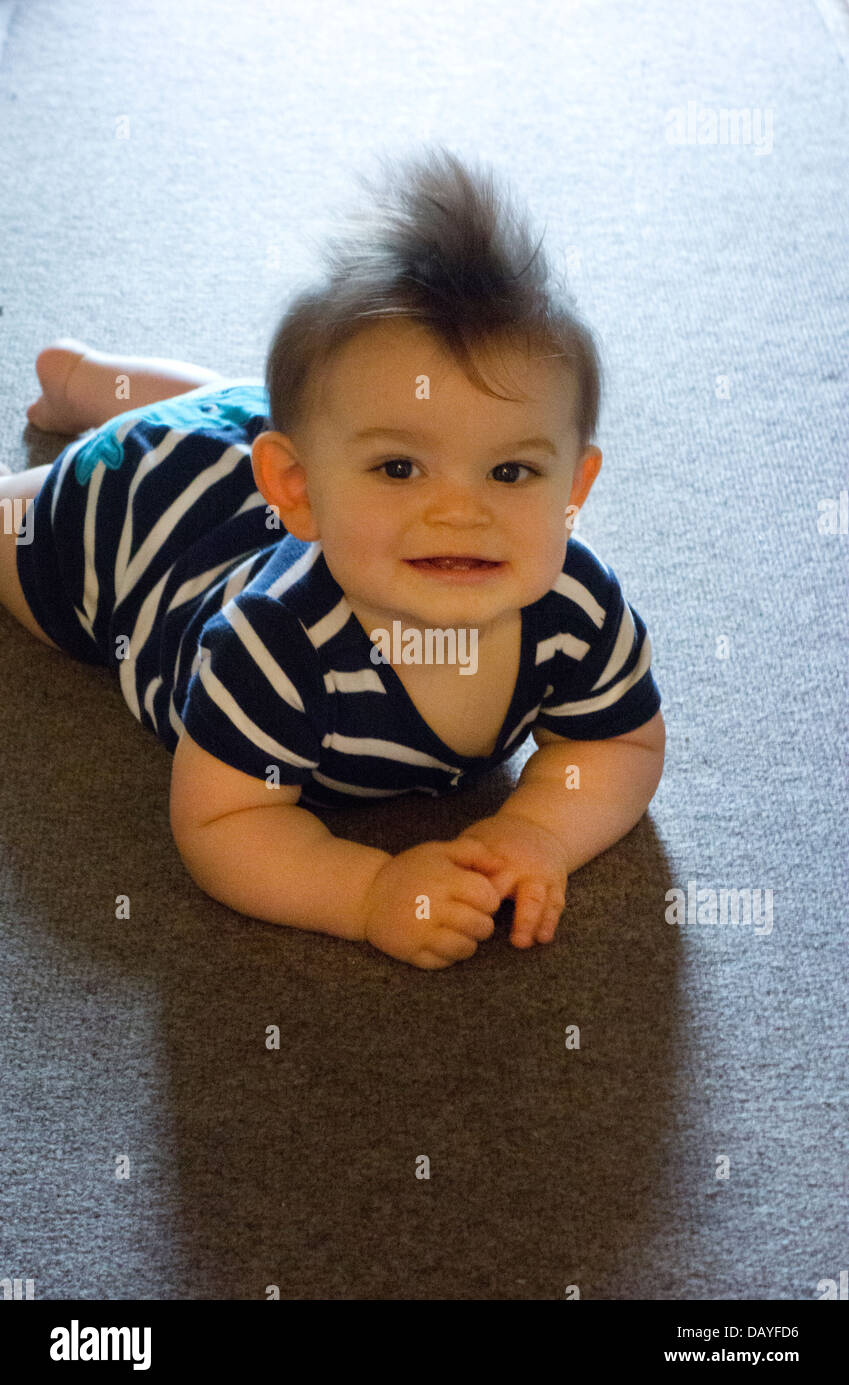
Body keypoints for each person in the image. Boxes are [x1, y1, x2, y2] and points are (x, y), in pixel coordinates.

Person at [0, 147, 665, 970]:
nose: (460, 512)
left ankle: (95, 379)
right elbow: (226, 823)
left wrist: (534, 833)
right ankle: (93, 414)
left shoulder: (577, 606)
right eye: (399, 469)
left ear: (574, 485)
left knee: (252, 406)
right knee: (29, 526)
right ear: (299, 492)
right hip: (139, 520)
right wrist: (367, 893)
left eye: (510, 471)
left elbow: (616, 745)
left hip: (263, 443)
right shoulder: (271, 644)